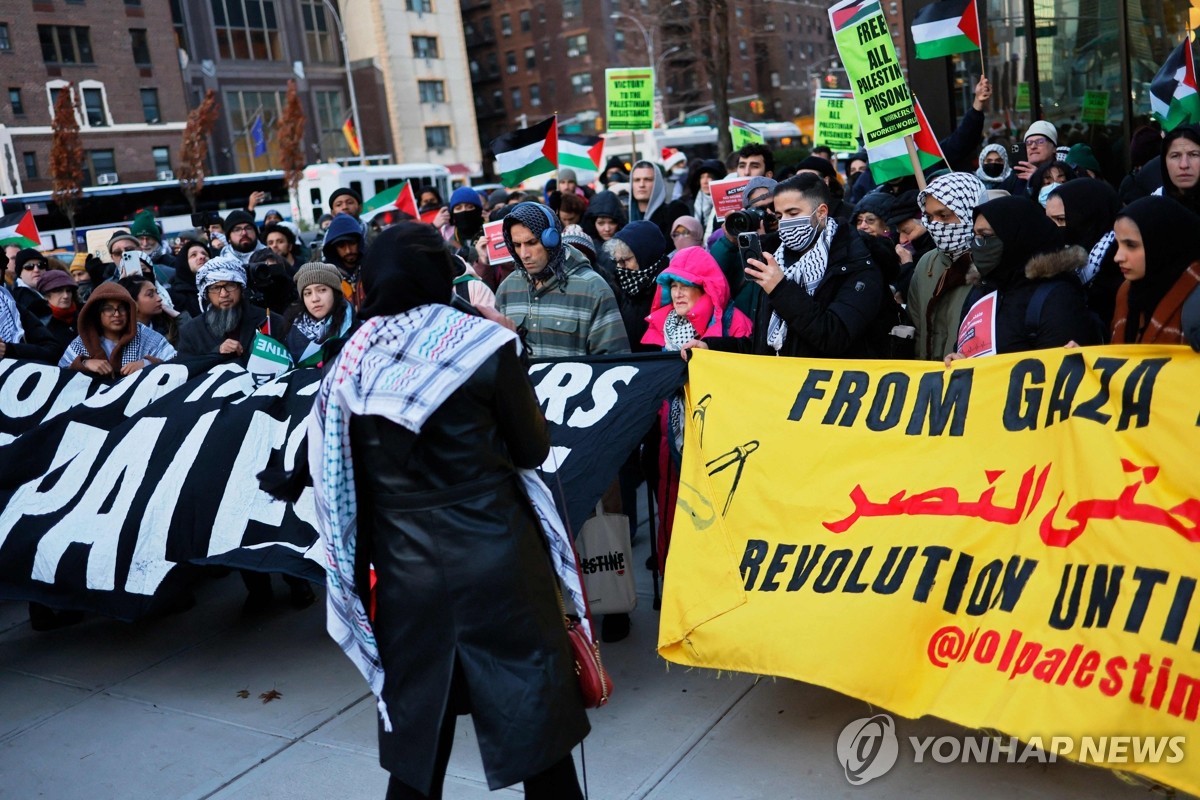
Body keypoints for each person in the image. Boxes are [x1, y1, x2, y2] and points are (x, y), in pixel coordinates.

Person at [307, 221, 589, 800]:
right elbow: (532, 448)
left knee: (417, 745)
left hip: (410, 576)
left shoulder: (351, 363)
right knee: (539, 734)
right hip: (502, 562)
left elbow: (343, 482)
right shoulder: (482, 343)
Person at [685, 173, 883, 359]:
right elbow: (763, 347)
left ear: (821, 212)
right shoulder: (777, 261)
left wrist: (780, 289)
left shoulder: (858, 266)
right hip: (783, 388)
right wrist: (712, 348)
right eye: (780, 216)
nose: (785, 223)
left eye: (793, 213)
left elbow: (833, 337)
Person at [945, 195, 1099, 361]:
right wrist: (957, 361)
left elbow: (1059, 375)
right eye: (975, 236)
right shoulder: (982, 290)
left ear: (1015, 236)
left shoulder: (1057, 297)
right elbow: (965, 348)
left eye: (985, 236)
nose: (977, 244)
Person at [496, 202, 629, 358]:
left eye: (532, 243)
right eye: (517, 245)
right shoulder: (506, 289)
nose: (524, 254)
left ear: (551, 240)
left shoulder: (594, 289)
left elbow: (615, 362)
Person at [906, 173, 989, 361]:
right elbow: (916, 327)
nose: (935, 225)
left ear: (970, 211)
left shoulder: (990, 264)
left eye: (944, 216)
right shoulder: (927, 263)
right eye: (929, 216)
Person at [1110, 196, 1200, 344]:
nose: (1117, 257)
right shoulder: (1126, 292)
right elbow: (1116, 362)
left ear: (1162, 245)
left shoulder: (1194, 296)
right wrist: (1080, 359)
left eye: (1131, 245)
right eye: (1118, 244)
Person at [175, 256, 289, 363]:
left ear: (241, 288)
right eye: (215, 288)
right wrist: (216, 353)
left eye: (230, 285)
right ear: (206, 293)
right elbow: (186, 370)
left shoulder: (270, 321)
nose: (224, 294)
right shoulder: (191, 331)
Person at [1045, 178, 1122, 329]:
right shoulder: (1062, 266)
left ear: (1089, 217)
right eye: (1049, 221)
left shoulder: (1120, 264)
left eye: (1061, 219)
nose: (1054, 229)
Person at [59, 282, 175, 377]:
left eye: (122, 308)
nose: (117, 314)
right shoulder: (83, 342)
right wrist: (85, 363)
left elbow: (175, 361)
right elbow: (60, 372)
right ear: (97, 313)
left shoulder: (147, 336)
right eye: (108, 309)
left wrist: (147, 363)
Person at [282, 261, 355, 368]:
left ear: (335, 293)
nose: (315, 299)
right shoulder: (290, 329)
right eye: (308, 293)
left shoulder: (355, 327)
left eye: (322, 290)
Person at [627, 160, 690, 248]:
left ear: (657, 183)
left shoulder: (673, 213)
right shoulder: (624, 217)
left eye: (648, 179)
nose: (641, 185)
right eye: (637, 180)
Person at [998, 121, 1058, 198]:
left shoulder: (1063, 173)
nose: (1033, 146)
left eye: (1040, 141)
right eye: (1029, 143)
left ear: (1054, 148)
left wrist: (1039, 179)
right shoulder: (1017, 175)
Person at [118, 274, 183, 346]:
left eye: (157, 293)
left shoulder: (168, 327)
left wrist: (178, 317)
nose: (159, 298)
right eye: (150, 294)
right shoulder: (120, 336)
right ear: (132, 301)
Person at [322, 212, 368, 307]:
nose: (348, 250)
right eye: (341, 245)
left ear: (360, 243)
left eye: (352, 243)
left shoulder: (373, 268)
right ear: (333, 248)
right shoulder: (325, 277)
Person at [1156, 124, 1200, 216]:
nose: (1184, 165)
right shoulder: (1153, 210)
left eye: (1194, 155)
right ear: (1164, 162)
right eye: (1175, 156)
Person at [36, 269, 80, 356]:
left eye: (68, 290)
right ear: (45, 295)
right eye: (59, 291)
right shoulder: (40, 324)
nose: (66, 296)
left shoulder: (82, 317)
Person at [168, 238, 211, 318]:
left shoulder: (220, 287)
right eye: (193, 255)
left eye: (204, 254)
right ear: (184, 262)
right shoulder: (174, 296)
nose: (202, 256)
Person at [686, 159, 727, 241]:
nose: (705, 181)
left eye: (709, 177)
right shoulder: (690, 204)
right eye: (702, 177)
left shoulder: (725, 204)